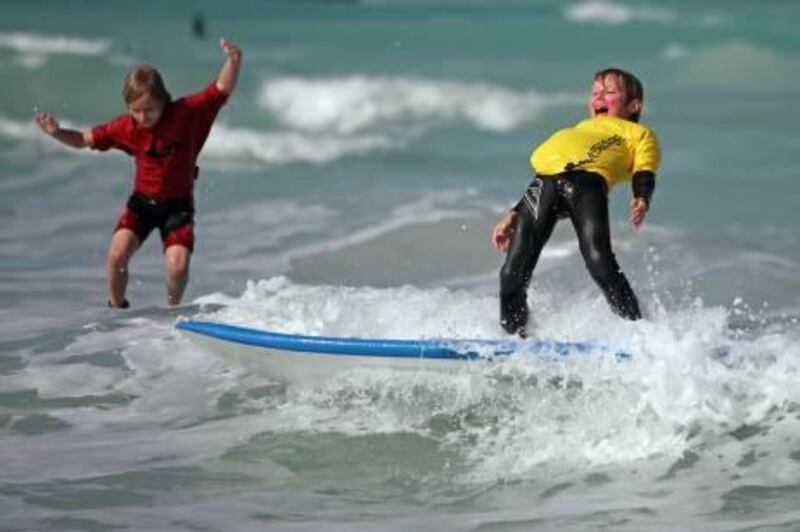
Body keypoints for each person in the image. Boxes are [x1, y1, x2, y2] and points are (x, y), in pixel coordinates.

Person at [35, 38, 243, 308]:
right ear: (128, 108)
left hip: (177, 207)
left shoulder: (185, 113)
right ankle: (116, 309)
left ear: (163, 102)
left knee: (178, 266)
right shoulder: (125, 127)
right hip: (142, 203)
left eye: (150, 110)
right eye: (136, 111)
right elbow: (83, 139)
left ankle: (173, 309)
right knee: (116, 256)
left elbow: (221, 89)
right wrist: (57, 132)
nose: (143, 118)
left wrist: (233, 61)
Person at [491, 68, 660, 336]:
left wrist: (641, 197)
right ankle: (513, 337)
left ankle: (640, 333)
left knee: (599, 262)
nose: (599, 97)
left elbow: (645, 170)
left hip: (588, 183)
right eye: (595, 93)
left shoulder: (638, 134)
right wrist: (515, 211)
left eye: (610, 92)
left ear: (633, 105)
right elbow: (547, 169)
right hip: (545, 184)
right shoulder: (577, 130)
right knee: (512, 272)